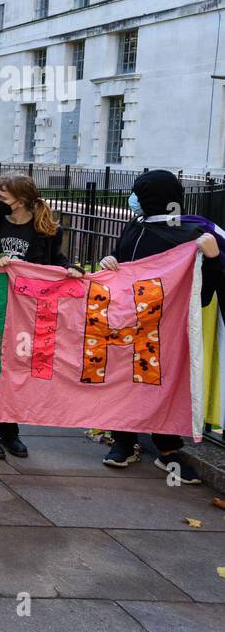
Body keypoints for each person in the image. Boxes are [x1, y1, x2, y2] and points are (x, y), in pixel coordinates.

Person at [96, 170, 222, 482]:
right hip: (129, 319)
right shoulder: (135, 226)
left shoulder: (189, 234)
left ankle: (168, 448)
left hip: (166, 325)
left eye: (139, 192)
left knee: (163, 383)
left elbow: (202, 290)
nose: (133, 199)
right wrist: (109, 261)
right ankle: (123, 441)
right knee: (125, 379)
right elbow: (122, 257)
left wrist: (214, 258)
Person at [0, 173, 83, 460]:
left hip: (29, 311)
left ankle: (10, 430)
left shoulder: (47, 230)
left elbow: (56, 261)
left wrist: (72, 269)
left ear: (20, 201)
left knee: (19, 368)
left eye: (2, 197)